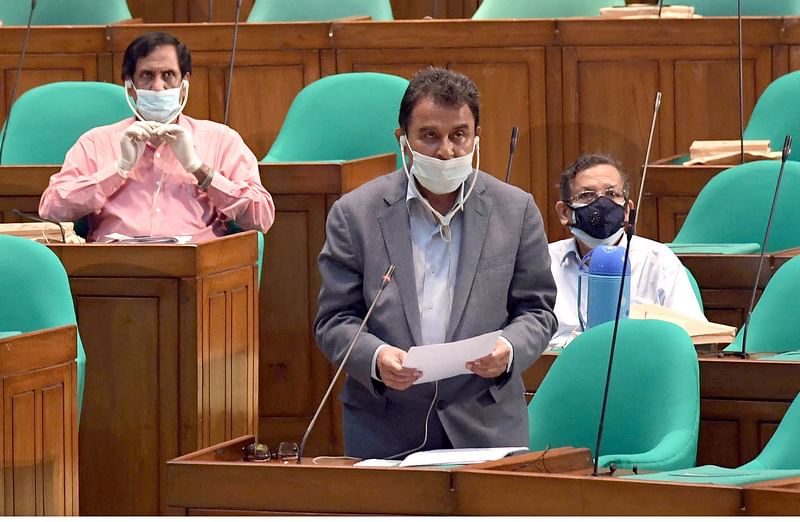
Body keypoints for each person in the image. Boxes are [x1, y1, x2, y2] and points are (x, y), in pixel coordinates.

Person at [313, 67, 557, 459]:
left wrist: (508, 348)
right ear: (403, 141)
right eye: (430, 136)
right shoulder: (354, 214)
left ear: (476, 139)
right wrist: (375, 358)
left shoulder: (515, 210)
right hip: (387, 424)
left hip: (486, 424)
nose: (446, 151)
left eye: (459, 135)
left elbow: (538, 311)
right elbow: (335, 320)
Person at [39, 31, 274, 242]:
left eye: (168, 75)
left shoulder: (222, 140)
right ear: (130, 85)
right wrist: (117, 170)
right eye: (147, 75)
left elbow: (261, 217)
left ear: (184, 83)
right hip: (113, 266)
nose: (158, 87)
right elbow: (51, 209)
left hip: (196, 267)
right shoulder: (96, 142)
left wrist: (200, 170)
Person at [548, 153, 705, 347]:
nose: (601, 204)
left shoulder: (658, 261)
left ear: (627, 210)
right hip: (561, 371)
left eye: (612, 194)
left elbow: (692, 337)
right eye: (587, 195)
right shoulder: (543, 263)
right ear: (564, 212)